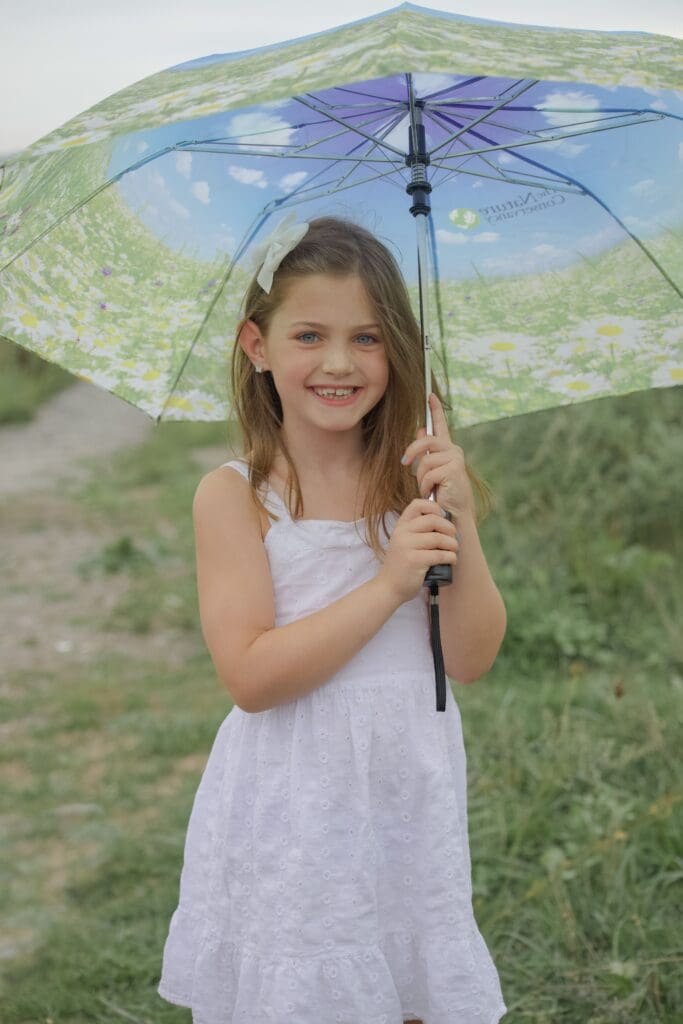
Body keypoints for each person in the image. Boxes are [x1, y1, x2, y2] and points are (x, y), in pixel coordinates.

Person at [156, 214, 508, 1023]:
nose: (341, 363)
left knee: (409, 973)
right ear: (257, 345)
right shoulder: (237, 496)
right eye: (309, 335)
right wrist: (386, 585)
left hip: (404, 783)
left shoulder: (412, 489)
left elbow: (471, 656)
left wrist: (459, 518)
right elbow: (250, 677)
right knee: (311, 980)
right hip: (294, 797)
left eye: (369, 338)